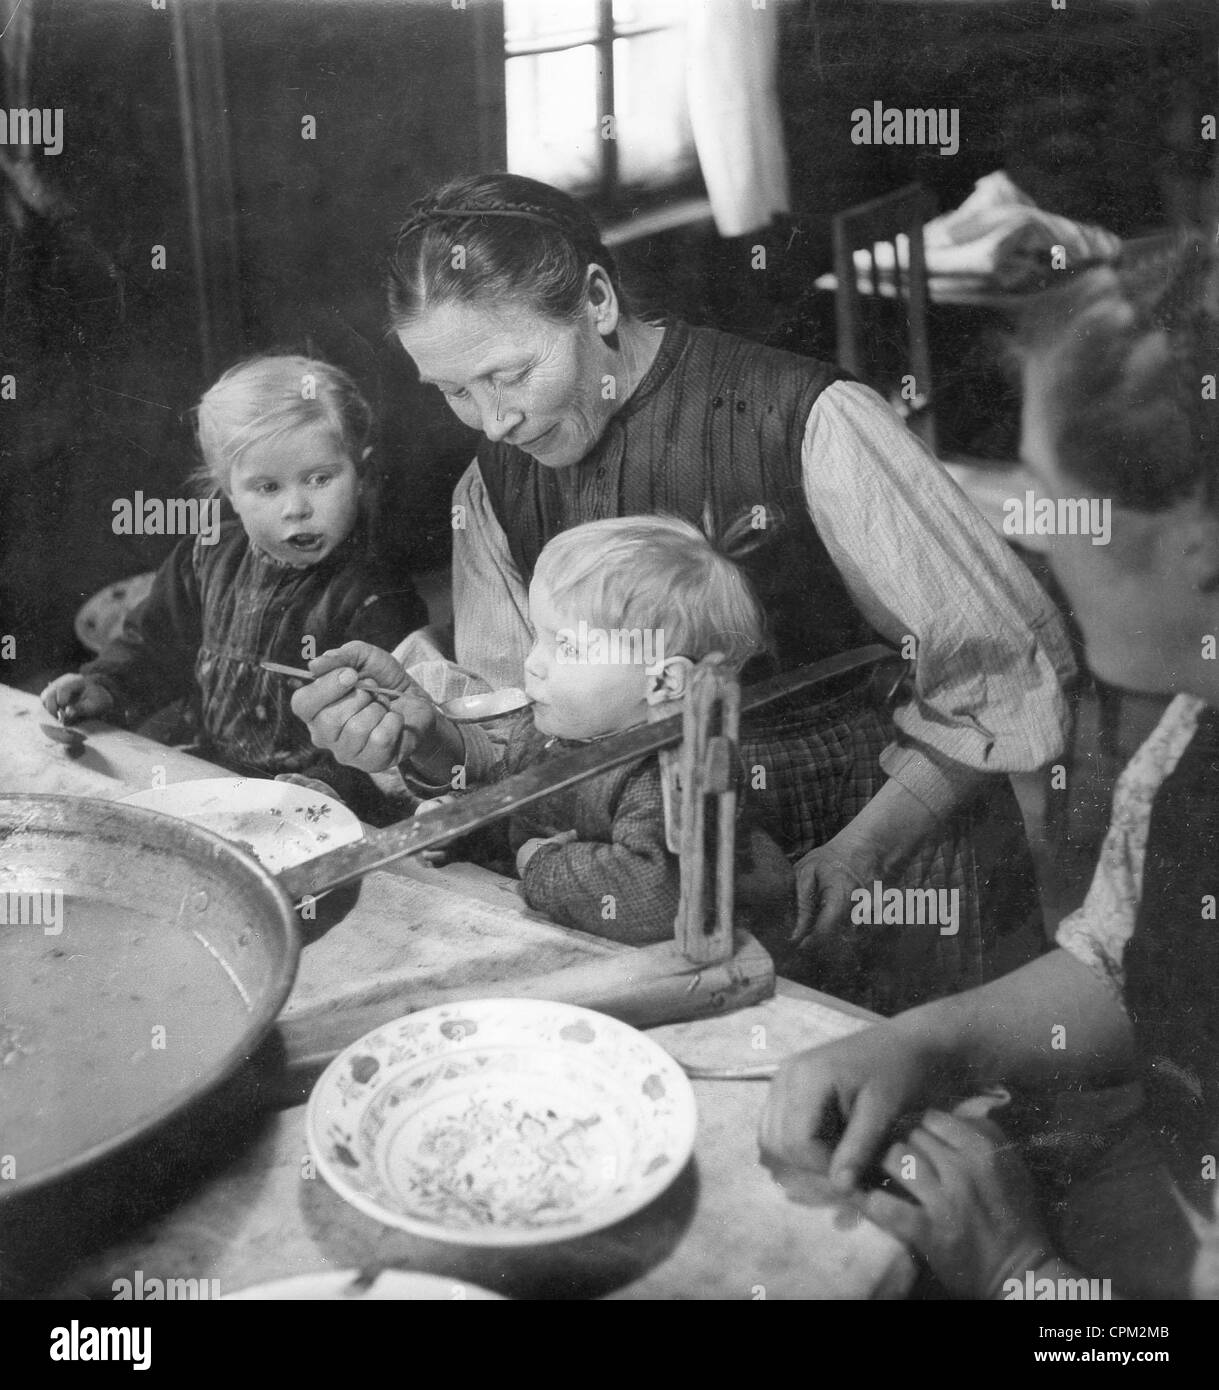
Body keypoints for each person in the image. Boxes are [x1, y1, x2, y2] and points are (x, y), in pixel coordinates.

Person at [292, 172, 1075, 1013]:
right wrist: (433, 742)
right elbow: (534, 727)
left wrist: (860, 855)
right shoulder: (489, 491)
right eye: (453, 391)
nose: (492, 422)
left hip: (877, 857)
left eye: (510, 374)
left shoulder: (806, 421)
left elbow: (1003, 672)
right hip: (649, 897)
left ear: (595, 300)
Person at [760, 234, 1219, 1300]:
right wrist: (930, 1042)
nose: (1038, 543)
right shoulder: (1185, 733)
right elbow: (1120, 955)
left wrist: (1021, 1273)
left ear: (1198, 540)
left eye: (1055, 502)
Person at [41, 355, 426, 813]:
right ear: (228, 491)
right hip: (209, 775)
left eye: (320, 479)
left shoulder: (376, 596)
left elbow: (382, 739)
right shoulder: (205, 556)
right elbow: (153, 648)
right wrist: (105, 687)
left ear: (361, 473)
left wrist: (322, 794)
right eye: (267, 488)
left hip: (311, 802)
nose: (296, 507)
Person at [412, 513, 796, 944]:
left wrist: (539, 865)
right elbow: (518, 819)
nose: (532, 662)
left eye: (567, 646)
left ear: (663, 681)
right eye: (539, 636)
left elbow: (655, 895)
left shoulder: (669, 774)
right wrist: (466, 826)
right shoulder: (544, 732)